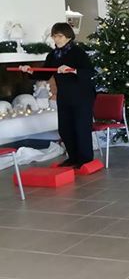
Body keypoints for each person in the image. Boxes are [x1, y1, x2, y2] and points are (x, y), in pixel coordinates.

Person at [19, 23, 96, 169]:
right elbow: (45, 73)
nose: (57, 39)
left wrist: (72, 70)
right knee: (65, 128)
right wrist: (29, 70)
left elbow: (89, 73)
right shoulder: (53, 55)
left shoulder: (78, 52)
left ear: (68, 36)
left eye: (60, 36)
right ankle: (73, 158)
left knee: (81, 128)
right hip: (65, 96)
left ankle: (85, 160)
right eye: (54, 36)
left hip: (82, 96)